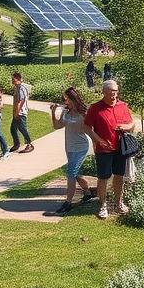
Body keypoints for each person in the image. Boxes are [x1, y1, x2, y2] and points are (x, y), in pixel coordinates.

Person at [84, 79, 136, 220]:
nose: (114, 94)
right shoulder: (95, 108)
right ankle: (102, 205)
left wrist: (126, 127)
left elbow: (132, 122)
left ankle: (119, 203)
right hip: (104, 149)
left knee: (119, 176)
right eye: (111, 92)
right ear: (104, 92)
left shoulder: (122, 106)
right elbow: (87, 127)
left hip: (120, 148)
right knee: (103, 178)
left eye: (116, 91)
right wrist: (98, 140)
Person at [46, 87, 98, 216]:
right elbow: (57, 126)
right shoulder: (66, 113)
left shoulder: (83, 113)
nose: (64, 101)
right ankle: (87, 192)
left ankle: (68, 203)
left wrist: (97, 143)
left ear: (72, 98)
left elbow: (91, 129)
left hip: (81, 147)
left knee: (71, 173)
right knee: (75, 173)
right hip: (69, 147)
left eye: (66, 98)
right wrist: (53, 112)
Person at [9, 72, 34, 153]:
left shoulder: (21, 88)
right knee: (13, 129)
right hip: (17, 112)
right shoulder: (17, 87)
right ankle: (16, 144)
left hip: (21, 112)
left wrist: (17, 112)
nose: (12, 80)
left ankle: (30, 144)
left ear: (18, 79)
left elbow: (21, 101)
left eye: (14, 79)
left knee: (22, 128)